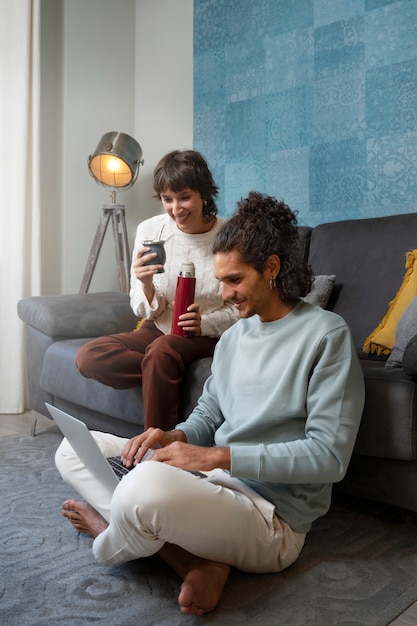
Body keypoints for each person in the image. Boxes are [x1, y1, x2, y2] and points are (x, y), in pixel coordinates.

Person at [55, 191, 365, 617]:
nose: (225, 293)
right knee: (73, 450)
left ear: (271, 268)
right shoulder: (235, 336)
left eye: (235, 280)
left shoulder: (327, 335)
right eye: (221, 280)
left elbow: (329, 458)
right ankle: (195, 560)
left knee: (141, 489)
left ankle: (108, 537)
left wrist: (212, 456)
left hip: (269, 517)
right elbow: (210, 413)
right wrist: (175, 435)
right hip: (210, 488)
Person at [75, 149, 238, 430]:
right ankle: (161, 370)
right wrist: (146, 285)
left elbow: (242, 305)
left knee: (163, 351)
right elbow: (139, 305)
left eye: (185, 197)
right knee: (89, 356)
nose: (176, 209)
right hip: (157, 327)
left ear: (204, 194)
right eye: (167, 199)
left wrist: (205, 323)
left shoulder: (230, 236)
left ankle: (156, 450)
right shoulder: (150, 231)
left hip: (205, 335)